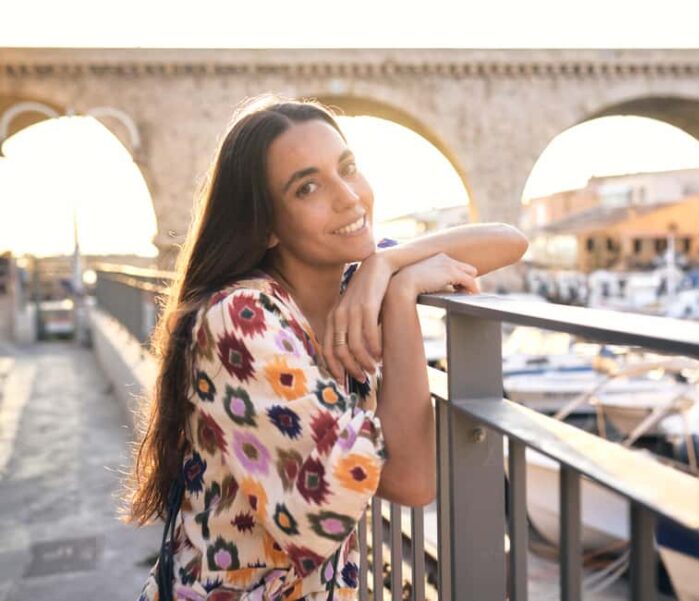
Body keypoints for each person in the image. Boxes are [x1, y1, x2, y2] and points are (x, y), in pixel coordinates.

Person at [127, 95, 528, 600]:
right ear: (266, 224)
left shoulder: (350, 279)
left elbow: (509, 240)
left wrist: (387, 265)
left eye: (349, 168)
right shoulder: (241, 319)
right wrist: (401, 295)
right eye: (308, 187)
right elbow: (411, 481)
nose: (348, 198)